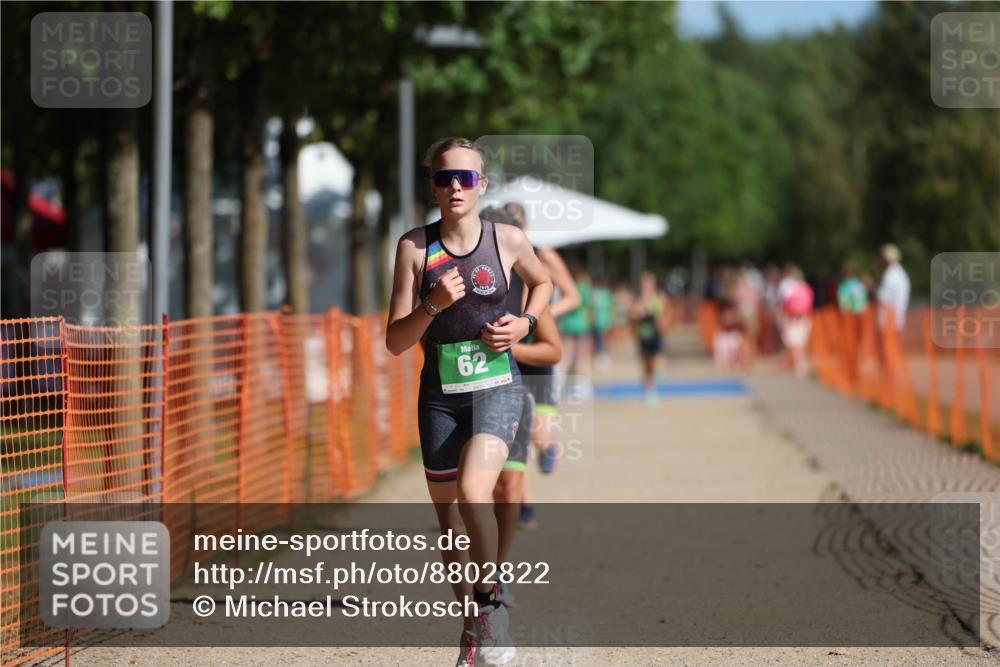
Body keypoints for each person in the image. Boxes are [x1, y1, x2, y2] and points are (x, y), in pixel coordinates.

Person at [386, 137, 552, 667]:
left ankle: (489, 607)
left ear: (482, 185)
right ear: (433, 184)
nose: (455, 187)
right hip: (439, 398)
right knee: (451, 523)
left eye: (466, 178)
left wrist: (524, 322)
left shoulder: (507, 240)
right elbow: (394, 340)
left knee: (475, 493)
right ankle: (473, 628)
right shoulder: (415, 247)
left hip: (498, 389)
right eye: (444, 178)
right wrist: (431, 305)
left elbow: (542, 282)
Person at [630, 271, 670, 406]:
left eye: (649, 283)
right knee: (646, 365)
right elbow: (632, 315)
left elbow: (665, 315)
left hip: (656, 335)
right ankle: (649, 392)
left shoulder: (659, 297)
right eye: (644, 283)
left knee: (657, 360)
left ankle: (657, 376)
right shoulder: (637, 299)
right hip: (643, 335)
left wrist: (655, 312)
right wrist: (640, 312)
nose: (646, 286)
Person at [779, 265, 814, 377]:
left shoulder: (791, 289)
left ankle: (800, 365)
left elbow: (785, 303)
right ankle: (798, 364)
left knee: (794, 343)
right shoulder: (807, 288)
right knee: (799, 343)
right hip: (804, 318)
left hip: (792, 318)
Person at [876, 243, 910, 333]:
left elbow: (883, 298)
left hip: (889, 322)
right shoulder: (900, 272)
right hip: (897, 320)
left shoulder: (891, 273)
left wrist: (871, 289)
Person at [590, 276, 615, 370]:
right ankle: (599, 358)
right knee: (598, 341)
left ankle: (602, 358)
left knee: (603, 341)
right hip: (599, 322)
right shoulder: (596, 292)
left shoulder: (606, 293)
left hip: (604, 321)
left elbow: (611, 307)